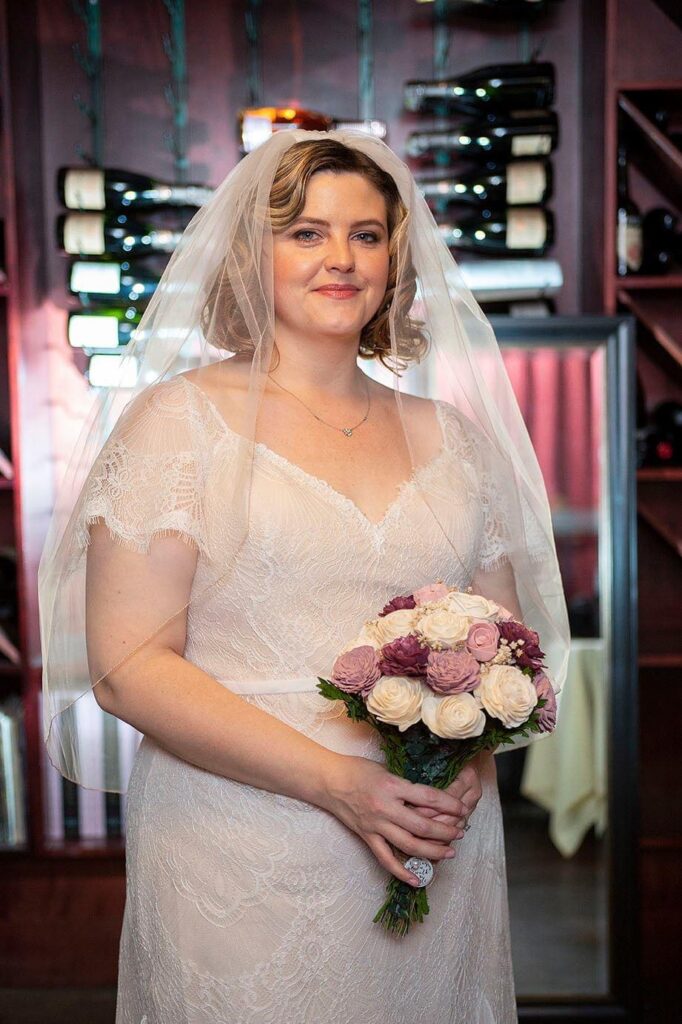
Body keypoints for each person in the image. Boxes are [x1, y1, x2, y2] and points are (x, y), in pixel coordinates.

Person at [38, 130, 570, 1023]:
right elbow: (127, 666)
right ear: (254, 252)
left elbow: (501, 646)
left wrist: (467, 758)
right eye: (307, 233)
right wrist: (339, 782)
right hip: (239, 852)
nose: (342, 259)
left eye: (367, 235)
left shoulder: (455, 440)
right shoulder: (178, 425)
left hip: (428, 846)